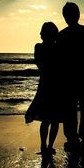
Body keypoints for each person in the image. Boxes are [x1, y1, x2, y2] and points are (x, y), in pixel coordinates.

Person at [58, 2, 84, 153]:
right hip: (83, 78)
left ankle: (73, 139)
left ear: (65, 17)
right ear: (78, 15)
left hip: (70, 79)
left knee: (71, 110)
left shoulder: (62, 35)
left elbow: (58, 60)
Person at [25, 22, 63, 156]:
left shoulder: (39, 48)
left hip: (46, 84)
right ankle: (48, 146)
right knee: (54, 119)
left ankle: (44, 146)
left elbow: (40, 64)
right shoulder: (57, 48)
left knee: (47, 118)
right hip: (56, 85)